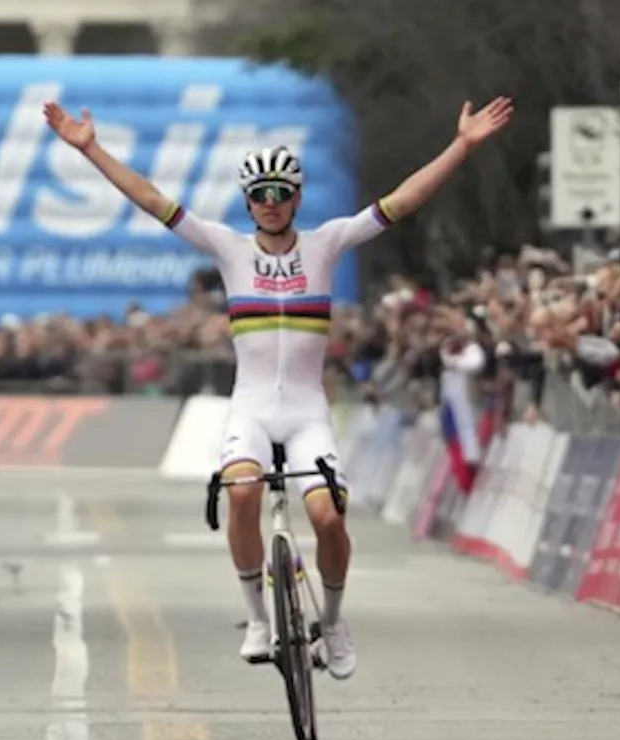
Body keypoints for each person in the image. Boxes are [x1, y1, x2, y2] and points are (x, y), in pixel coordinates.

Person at [44, 96, 513, 679]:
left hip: (308, 413)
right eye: (259, 195)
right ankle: (258, 618)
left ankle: (334, 623)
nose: (270, 204)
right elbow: (150, 199)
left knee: (327, 520)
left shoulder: (328, 242)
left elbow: (403, 201)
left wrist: (462, 145)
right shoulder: (227, 248)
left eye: (280, 193)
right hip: (253, 409)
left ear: (296, 198)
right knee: (241, 495)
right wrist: (91, 150)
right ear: (247, 202)